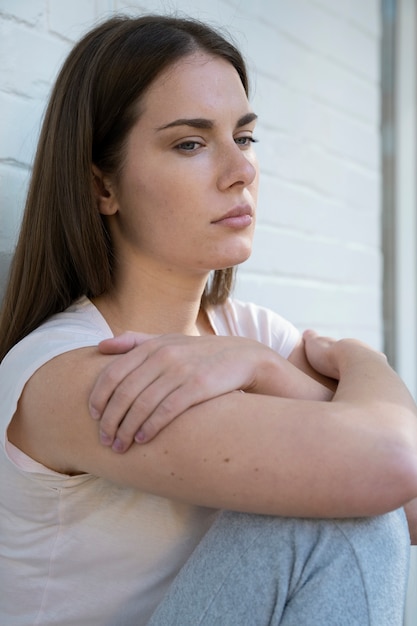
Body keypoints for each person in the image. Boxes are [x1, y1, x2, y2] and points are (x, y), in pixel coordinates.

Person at [0, 13, 416, 626]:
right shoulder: (67, 375)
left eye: (244, 138)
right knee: (339, 515)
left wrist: (263, 365)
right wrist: (364, 361)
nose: (240, 171)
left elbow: (409, 509)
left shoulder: (255, 336)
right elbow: (393, 467)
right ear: (101, 187)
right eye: (191, 143)